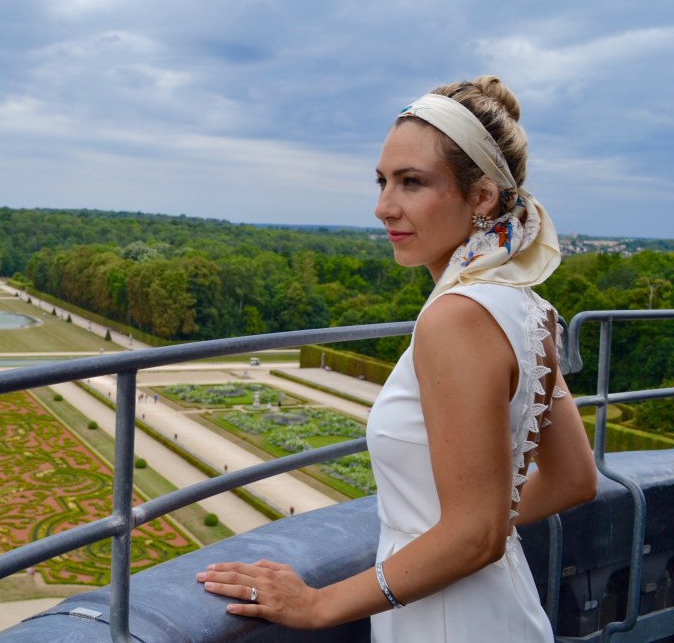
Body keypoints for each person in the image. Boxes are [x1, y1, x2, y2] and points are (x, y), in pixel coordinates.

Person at [197, 76, 598, 640]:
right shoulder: (527, 307)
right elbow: (575, 480)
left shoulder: (454, 319)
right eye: (383, 181)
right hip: (502, 612)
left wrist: (320, 605)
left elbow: (476, 536)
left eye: (411, 183)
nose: (384, 207)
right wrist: (458, 527)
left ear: (481, 197)